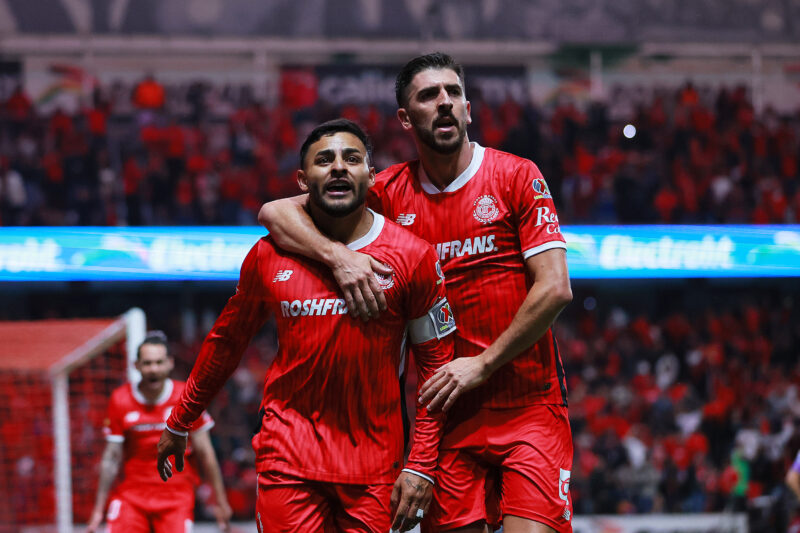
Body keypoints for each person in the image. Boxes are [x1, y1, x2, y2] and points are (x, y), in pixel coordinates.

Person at [257, 53, 574, 533]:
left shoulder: (516, 176)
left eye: (453, 93)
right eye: (429, 95)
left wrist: (482, 364)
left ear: (468, 109)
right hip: (444, 419)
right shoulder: (387, 192)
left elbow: (555, 289)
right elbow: (275, 212)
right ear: (406, 118)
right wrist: (338, 257)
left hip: (528, 408)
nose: (444, 103)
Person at [156, 119, 456, 533]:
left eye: (352, 159)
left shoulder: (413, 257)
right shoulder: (268, 256)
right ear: (302, 180)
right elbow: (227, 342)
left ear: (371, 176)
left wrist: (421, 464)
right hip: (287, 459)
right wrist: (181, 418)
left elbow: (437, 368)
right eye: (324, 160)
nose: (339, 167)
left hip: (375, 467)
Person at [87, 331, 231, 533]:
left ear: (170, 363)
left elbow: (206, 453)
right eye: (147, 363)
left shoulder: (187, 398)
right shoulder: (120, 399)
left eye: (159, 362)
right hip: (132, 497)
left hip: (175, 498)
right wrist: (97, 510)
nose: (153, 369)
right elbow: (111, 458)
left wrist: (220, 502)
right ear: (136, 365)